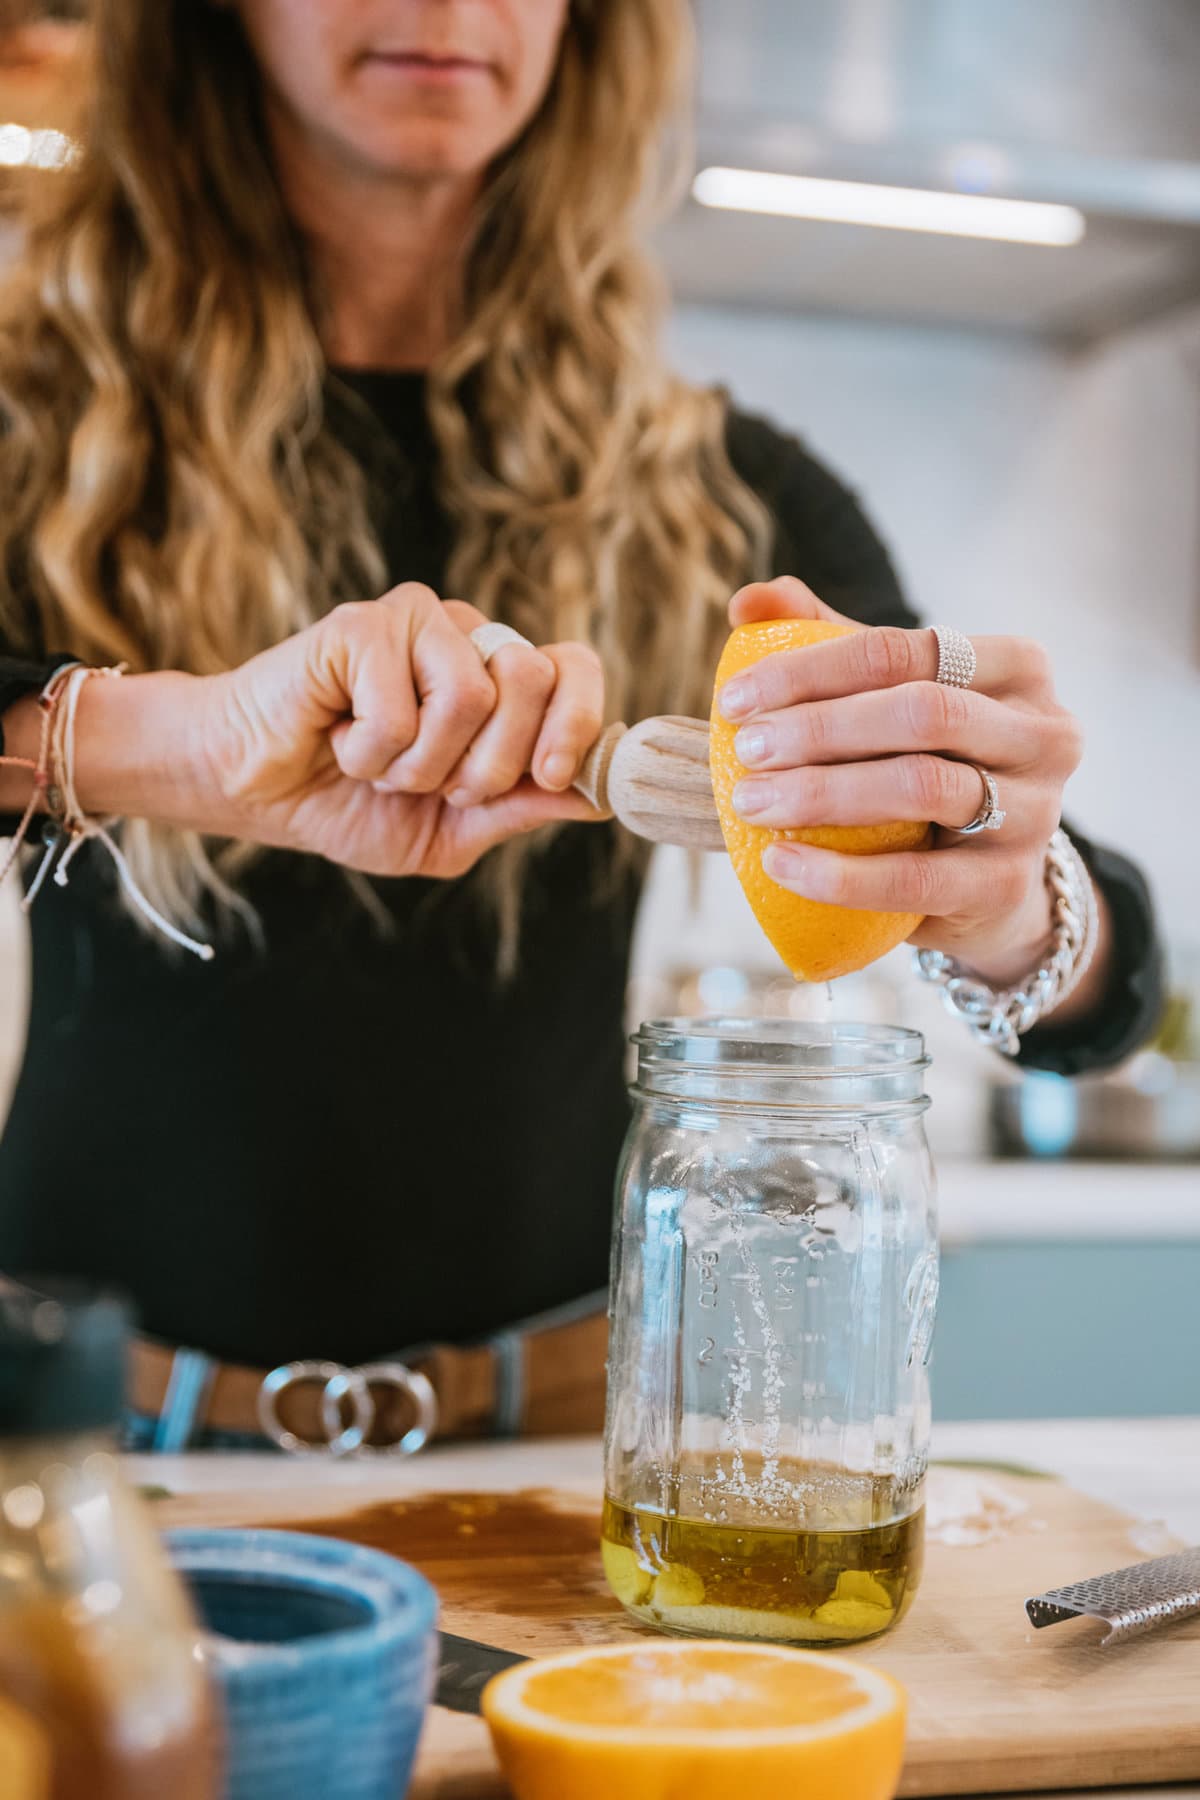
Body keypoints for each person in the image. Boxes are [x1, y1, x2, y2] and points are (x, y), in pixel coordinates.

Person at [0, 1, 1162, 1455]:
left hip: (558, 1444)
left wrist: (1003, 894)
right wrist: (183, 740)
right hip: (85, 1452)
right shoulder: (36, 434)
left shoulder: (725, 491)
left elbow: (1101, 987)